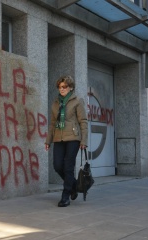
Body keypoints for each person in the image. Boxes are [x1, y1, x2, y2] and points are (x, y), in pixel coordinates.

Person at [45, 75, 88, 207]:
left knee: (68, 167)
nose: (61, 89)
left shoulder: (77, 101)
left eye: (64, 87)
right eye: (59, 87)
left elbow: (83, 121)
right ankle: (73, 185)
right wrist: (48, 140)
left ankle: (65, 195)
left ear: (70, 88)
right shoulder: (55, 103)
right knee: (57, 165)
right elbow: (52, 123)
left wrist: (83, 141)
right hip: (58, 137)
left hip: (73, 138)